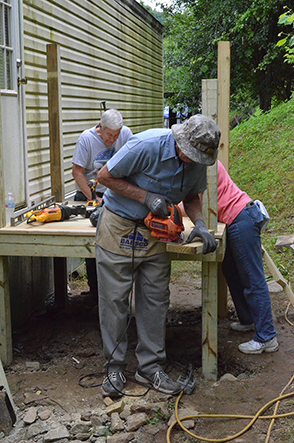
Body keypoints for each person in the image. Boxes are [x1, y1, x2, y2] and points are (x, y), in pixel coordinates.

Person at [95, 114, 221, 397]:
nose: (191, 160)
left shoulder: (198, 159)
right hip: (120, 225)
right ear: (180, 140)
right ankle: (114, 368)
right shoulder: (145, 145)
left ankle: (150, 368)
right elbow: (104, 176)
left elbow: (191, 196)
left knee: (155, 300)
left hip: (156, 234)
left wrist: (199, 224)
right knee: (114, 300)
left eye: (197, 157)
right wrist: (145, 197)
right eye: (189, 154)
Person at [217, 160, 278, 354]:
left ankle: (267, 337)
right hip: (236, 219)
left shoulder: (205, 164)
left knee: (253, 279)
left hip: (241, 218)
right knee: (231, 271)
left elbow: (193, 201)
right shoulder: (199, 162)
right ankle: (249, 319)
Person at [72, 109, 133, 300]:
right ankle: (95, 291)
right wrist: (92, 198)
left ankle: (117, 291)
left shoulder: (126, 135)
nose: (113, 139)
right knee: (94, 240)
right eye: (109, 135)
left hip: (116, 194)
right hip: (90, 194)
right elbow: (77, 172)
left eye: (116, 135)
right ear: (101, 127)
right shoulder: (86, 139)